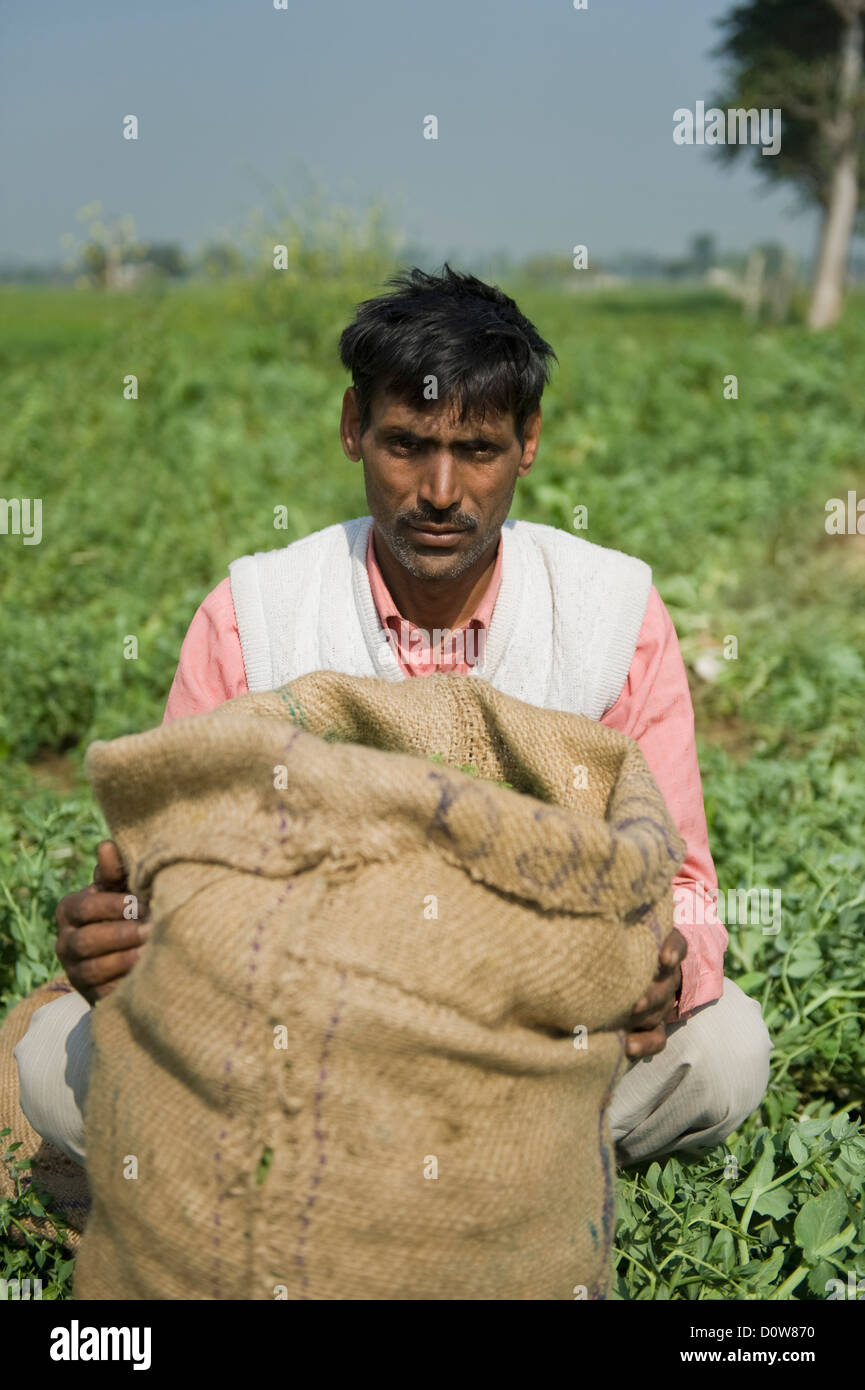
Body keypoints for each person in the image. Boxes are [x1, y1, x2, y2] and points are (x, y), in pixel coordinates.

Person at [16, 265, 771, 1169]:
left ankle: (368, 1172)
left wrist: (657, 971)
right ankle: (460, 1170)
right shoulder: (257, 616)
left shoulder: (609, 617)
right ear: (353, 429)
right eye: (407, 444)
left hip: (530, 1043)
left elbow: (680, 884)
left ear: (528, 443)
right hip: (306, 1039)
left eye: (478, 449)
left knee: (719, 1055)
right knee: (51, 1066)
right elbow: (175, 872)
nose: (441, 490)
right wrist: (125, 938)